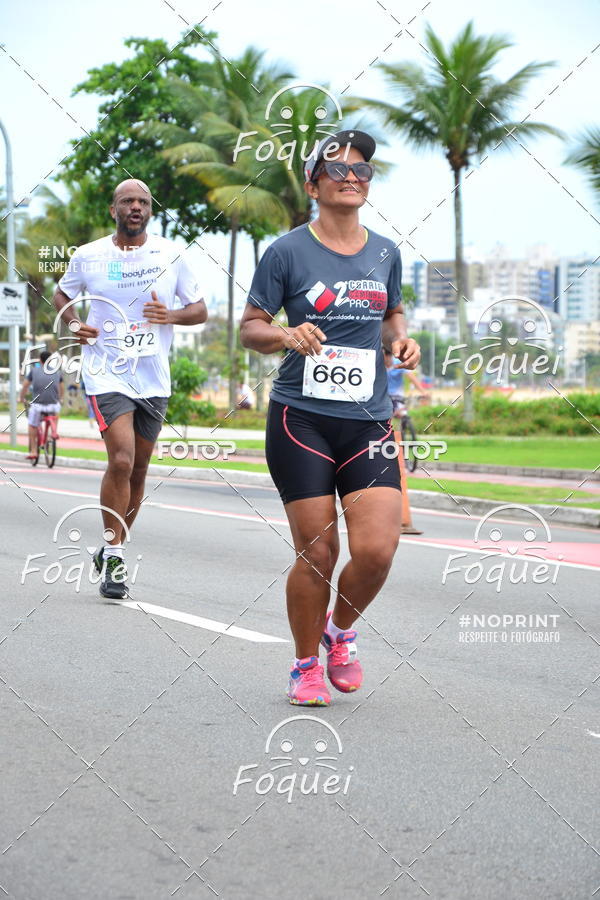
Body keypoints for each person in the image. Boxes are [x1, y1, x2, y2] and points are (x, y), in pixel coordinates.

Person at [240, 129, 420, 705]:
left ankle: (339, 632)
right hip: (301, 420)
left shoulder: (386, 251)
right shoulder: (286, 251)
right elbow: (250, 327)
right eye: (338, 168)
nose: (352, 176)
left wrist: (400, 341)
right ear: (314, 183)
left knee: (376, 550)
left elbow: (392, 314)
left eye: (362, 170)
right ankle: (303, 666)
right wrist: (286, 334)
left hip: (368, 420)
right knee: (318, 552)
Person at [53, 178, 207, 599]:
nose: (135, 207)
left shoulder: (171, 254)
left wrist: (170, 315)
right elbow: (61, 294)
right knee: (120, 459)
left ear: (150, 211)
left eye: (142, 201)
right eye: (127, 201)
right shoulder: (89, 256)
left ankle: (112, 546)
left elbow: (200, 310)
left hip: (153, 376)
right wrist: (72, 324)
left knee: (139, 468)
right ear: (113, 209)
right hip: (105, 370)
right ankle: (116, 557)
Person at [19, 349, 64, 457]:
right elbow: (61, 388)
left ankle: (34, 451)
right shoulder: (57, 372)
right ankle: (52, 433)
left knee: (32, 425)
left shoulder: (34, 371)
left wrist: (21, 398)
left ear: (40, 360)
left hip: (38, 405)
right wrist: (60, 398)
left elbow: (25, 385)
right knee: (56, 412)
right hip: (53, 405)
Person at [384, 348, 427, 418]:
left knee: (403, 415)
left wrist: (423, 392)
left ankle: (403, 427)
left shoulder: (399, 363)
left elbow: (412, 378)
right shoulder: (379, 364)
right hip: (384, 395)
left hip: (397, 393)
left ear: (389, 356)